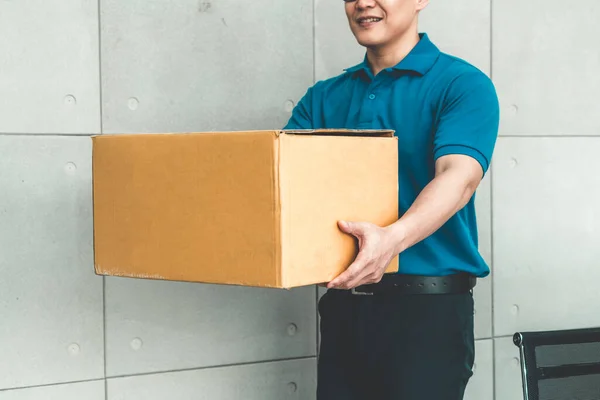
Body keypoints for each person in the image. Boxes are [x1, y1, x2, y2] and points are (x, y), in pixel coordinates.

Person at [284, 0, 500, 399]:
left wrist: (392, 240)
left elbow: (459, 176)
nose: (363, 2)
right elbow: (283, 187)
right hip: (344, 309)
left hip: (428, 314)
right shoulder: (322, 98)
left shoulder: (462, 84)